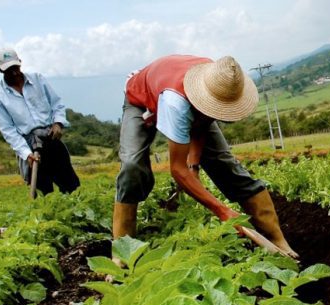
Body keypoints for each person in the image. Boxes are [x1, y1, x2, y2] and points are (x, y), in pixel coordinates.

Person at [112, 54, 297, 258]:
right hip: (141, 98)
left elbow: (201, 121)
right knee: (132, 166)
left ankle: (278, 239)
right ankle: (122, 254)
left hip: (179, 93)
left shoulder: (218, 76)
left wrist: (194, 165)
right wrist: (223, 211)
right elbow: (177, 169)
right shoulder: (176, 103)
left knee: (226, 165)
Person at [0, 47, 80, 195]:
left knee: (70, 186)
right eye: (8, 70)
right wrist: (26, 154)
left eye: (16, 67)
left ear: (20, 63)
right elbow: (8, 130)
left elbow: (57, 104)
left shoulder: (37, 79)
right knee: (44, 191)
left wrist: (58, 123)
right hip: (29, 144)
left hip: (51, 137)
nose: (14, 73)